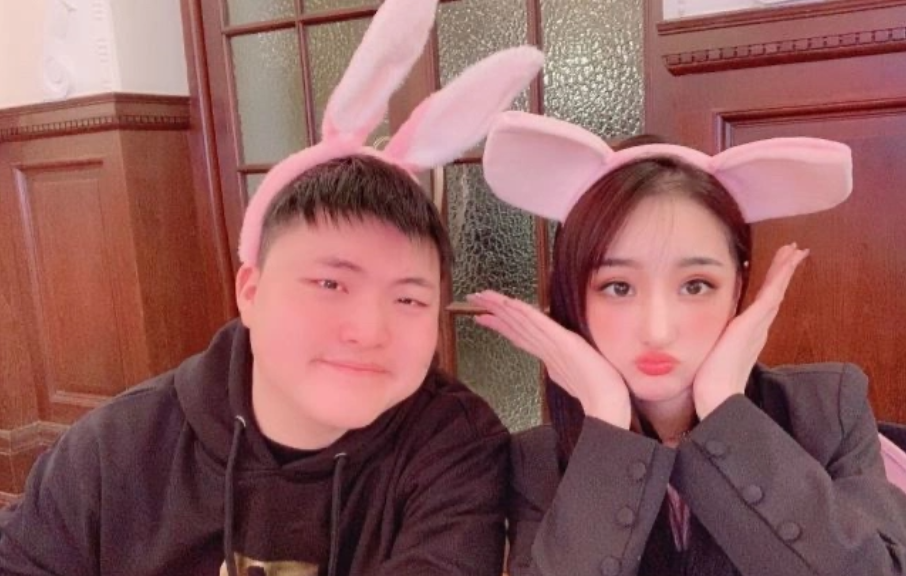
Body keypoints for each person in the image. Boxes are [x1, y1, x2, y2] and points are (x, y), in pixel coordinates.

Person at [0, 1, 543, 574]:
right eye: (330, 283)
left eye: (409, 298)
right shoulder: (120, 448)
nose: (368, 330)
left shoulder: (456, 449)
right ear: (251, 291)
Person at [473, 111, 906, 576]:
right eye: (618, 287)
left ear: (737, 289)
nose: (658, 330)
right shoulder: (536, 462)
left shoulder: (827, 410)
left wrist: (724, 408)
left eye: (695, 285)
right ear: (573, 295)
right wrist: (607, 423)